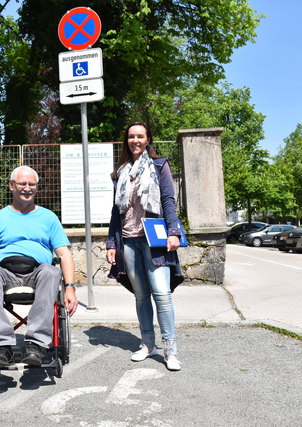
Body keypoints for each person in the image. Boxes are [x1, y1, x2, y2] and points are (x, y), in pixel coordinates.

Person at [0, 165, 78, 368]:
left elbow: (64, 254)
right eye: (22, 184)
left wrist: (70, 288)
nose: (27, 188)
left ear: (36, 187)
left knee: (52, 271)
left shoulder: (48, 217)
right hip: (6, 273)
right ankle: (0, 346)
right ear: (12, 185)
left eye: (31, 184)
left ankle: (35, 344)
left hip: (38, 272)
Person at [106, 121, 184, 371]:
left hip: (155, 240)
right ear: (126, 140)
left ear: (148, 139)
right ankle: (147, 344)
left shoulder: (159, 166)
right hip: (128, 240)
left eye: (140, 136)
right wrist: (111, 242)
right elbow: (115, 212)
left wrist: (173, 231)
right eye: (131, 136)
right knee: (141, 296)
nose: (135, 140)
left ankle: (170, 351)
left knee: (162, 293)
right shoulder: (120, 172)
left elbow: (168, 200)